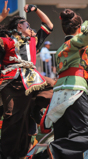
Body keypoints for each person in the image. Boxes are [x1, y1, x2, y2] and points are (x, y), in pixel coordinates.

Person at [40, 7, 88, 159]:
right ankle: (51, 151)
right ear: (79, 29)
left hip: (59, 92)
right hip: (74, 90)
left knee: (64, 135)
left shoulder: (62, 47)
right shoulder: (75, 43)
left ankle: (54, 151)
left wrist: (82, 24)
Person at [0, 3, 54, 159]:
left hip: (33, 79)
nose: (31, 28)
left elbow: (49, 25)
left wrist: (36, 9)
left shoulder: (33, 40)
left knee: (57, 87)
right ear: (19, 26)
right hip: (11, 81)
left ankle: (37, 110)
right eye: (27, 25)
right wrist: (2, 17)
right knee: (13, 117)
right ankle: (8, 154)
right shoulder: (5, 40)